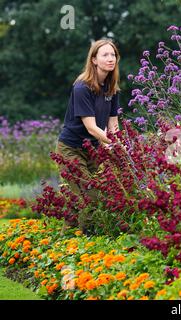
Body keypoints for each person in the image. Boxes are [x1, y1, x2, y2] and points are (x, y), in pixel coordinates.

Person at [55, 39, 121, 234]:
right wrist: (114, 144)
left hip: (92, 149)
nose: (111, 59)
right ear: (94, 60)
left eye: (113, 55)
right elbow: (91, 127)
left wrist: (116, 142)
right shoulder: (82, 88)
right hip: (70, 148)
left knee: (78, 199)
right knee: (90, 195)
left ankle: (67, 242)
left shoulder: (112, 88)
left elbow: (113, 124)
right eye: (105, 55)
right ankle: (87, 238)